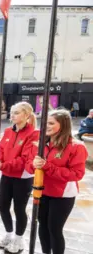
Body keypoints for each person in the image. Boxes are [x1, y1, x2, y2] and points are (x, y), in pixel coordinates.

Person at [26, 109, 87, 254]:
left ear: (63, 125)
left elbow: (76, 174)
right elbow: (29, 167)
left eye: (51, 123)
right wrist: (34, 165)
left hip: (62, 195)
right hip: (41, 190)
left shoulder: (76, 147)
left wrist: (48, 166)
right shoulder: (41, 144)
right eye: (45, 122)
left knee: (54, 228)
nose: (46, 125)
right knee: (42, 225)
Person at [0, 102, 37, 253]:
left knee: (19, 208)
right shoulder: (8, 131)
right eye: (11, 112)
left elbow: (24, 160)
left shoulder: (33, 134)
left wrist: (2, 165)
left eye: (16, 112)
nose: (12, 115)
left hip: (22, 177)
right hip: (7, 175)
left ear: (26, 115)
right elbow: (1, 150)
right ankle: (9, 234)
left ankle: (19, 239)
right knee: (3, 205)